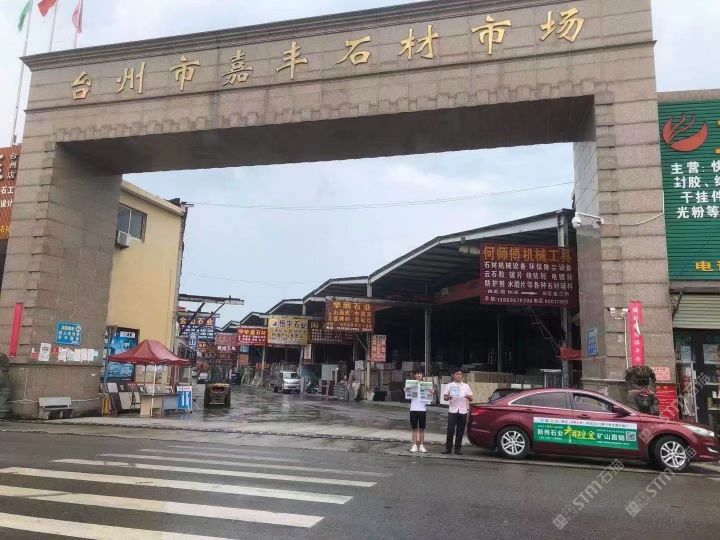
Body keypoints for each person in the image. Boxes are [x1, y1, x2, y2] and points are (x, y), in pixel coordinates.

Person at [443, 370, 473, 455]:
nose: (458, 376)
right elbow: (445, 397)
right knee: (450, 430)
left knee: (460, 431)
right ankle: (448, 448)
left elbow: (471, 399)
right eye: (457, 374)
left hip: (463, 411)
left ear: (462, 376)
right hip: (453, 410)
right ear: (454, 375)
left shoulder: (466, 386)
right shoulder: (450, 385)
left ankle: (458, 449)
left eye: (460, 374)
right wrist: (449, 397)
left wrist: (467, 397)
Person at [408, 369, 433, 453]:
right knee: (414, 428)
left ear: (422, 376)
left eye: (420, 374)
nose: (419, 375)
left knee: (422, 429)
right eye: (417, 374)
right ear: (415, 375)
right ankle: (414, 445)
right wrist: (406, 391)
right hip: (413, 409)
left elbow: (429, 399)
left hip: (422, 409)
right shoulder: (411, 385)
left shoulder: (426, 385)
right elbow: (407, 396)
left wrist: (431, 393)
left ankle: (422, 445)